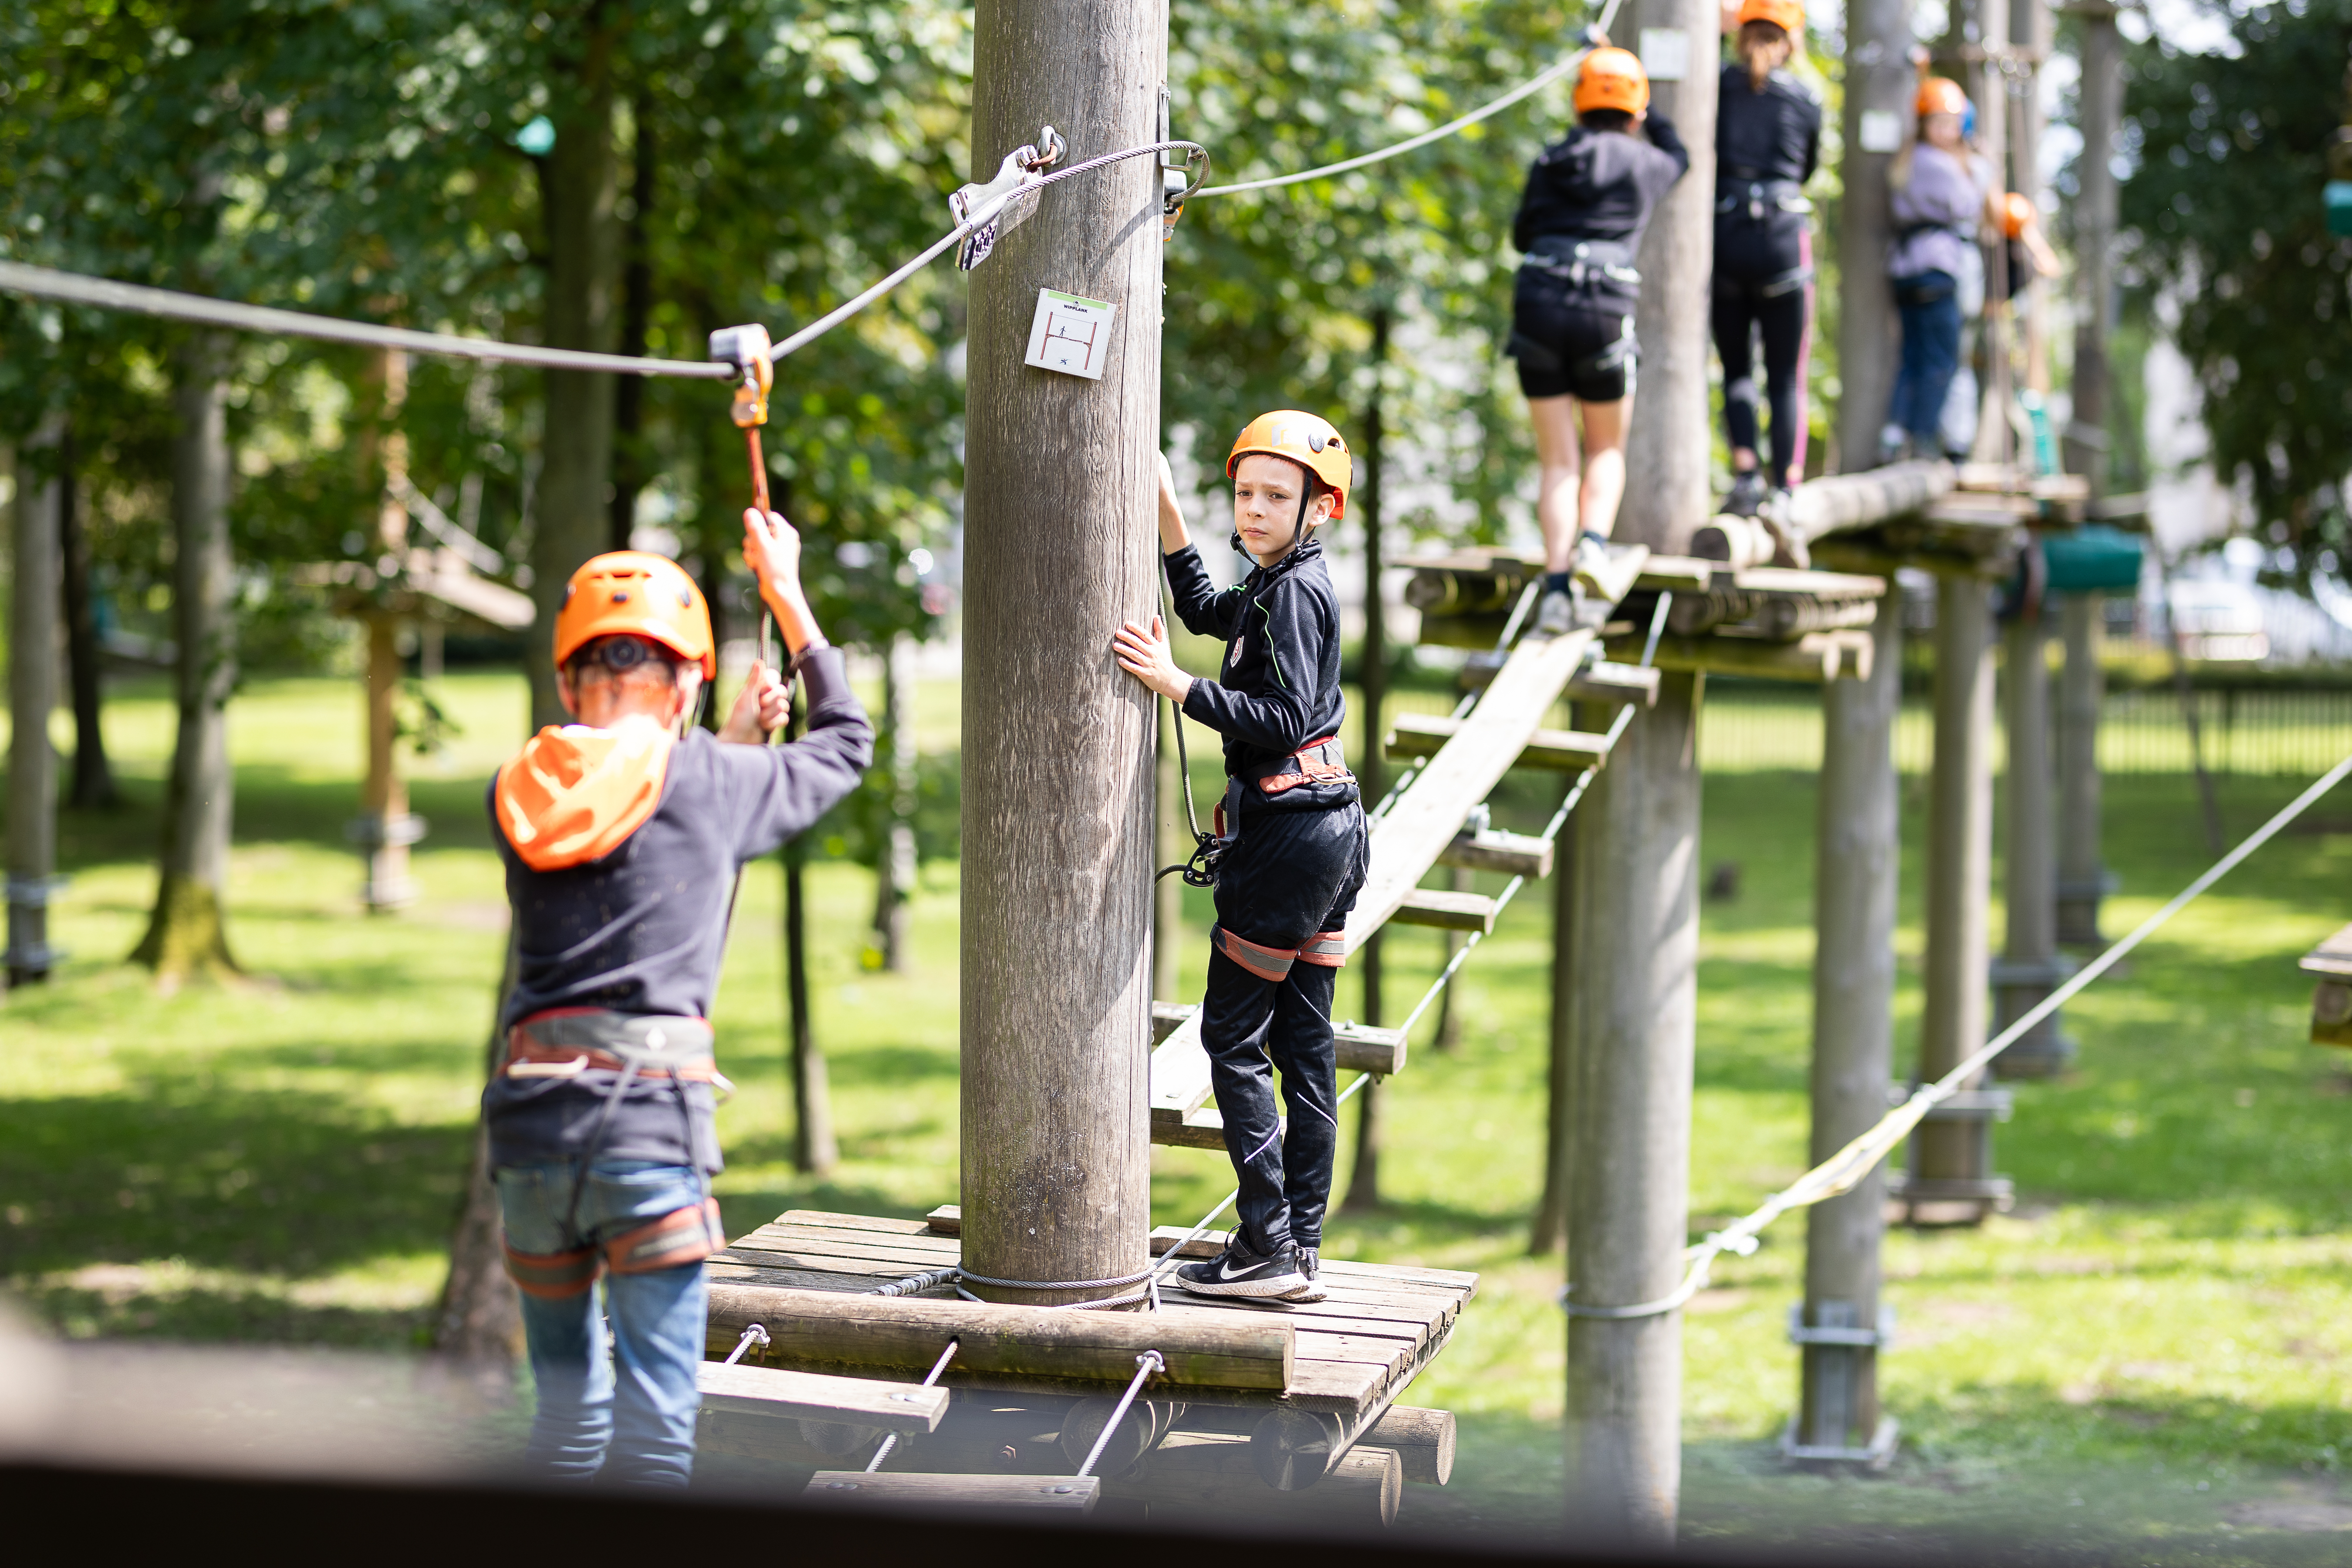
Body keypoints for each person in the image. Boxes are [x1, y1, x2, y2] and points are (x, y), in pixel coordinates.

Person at [484, 517, 872, 1487]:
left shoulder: (520, 788)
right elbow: (846, 743)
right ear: (691, 681)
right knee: (654, 1442)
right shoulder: (709, 779)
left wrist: (730, 745)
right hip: (647, 1133)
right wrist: (784, 591)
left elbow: (641, 823)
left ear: (569, 682)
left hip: (533, 1136)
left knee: (567, 1434)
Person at [1112, 415, 1367, 1304]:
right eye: (1245, 493)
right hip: (1330, 831)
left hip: (1293, 841)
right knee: (1304, 1043)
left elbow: (1284, 721)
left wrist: (1174, 685)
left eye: (1275, 497)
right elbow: (1204, 612)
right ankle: (1296, 1245)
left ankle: (1266, 1242)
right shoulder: (1274, 585)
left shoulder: (1295, 594)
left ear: (1319, 508)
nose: (1253, 511)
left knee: (1233, 1036)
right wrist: (1170, 514)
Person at [1507, 41, 1689, 636]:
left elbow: (1522, 233)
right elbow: (1680, 152)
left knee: (1558, 459)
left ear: (1579, 102)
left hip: (1540, 296)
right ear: (1635, 109)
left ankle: (1557, 587)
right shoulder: (1647, 163)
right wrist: (1646, 105)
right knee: (1604, 449)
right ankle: (1591, 545)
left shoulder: (1554, 157)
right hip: (1605, 306)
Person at [1710, 0, 1822, 518]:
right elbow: (1807, 170)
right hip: (1781, 239)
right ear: (1791, 40)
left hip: (1727, 236)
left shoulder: (1719, 86)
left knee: (1737, 369)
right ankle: (1787, 490)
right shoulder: (1805, 97)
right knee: (1784, 376)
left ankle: (1746, 476)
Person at [1881, 75, 2002, 463]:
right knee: (1941, 361)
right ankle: (1923, 440)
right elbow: (1969, 206)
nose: (1947, 132)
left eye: (1952, 125)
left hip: (1906, 267)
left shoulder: (1909, 160)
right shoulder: (1940, 166)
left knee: (1914, 355)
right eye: (1940, 124)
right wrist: (1983, 169)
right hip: (1938, 268)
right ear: (1924, 125)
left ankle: (1896, 433)